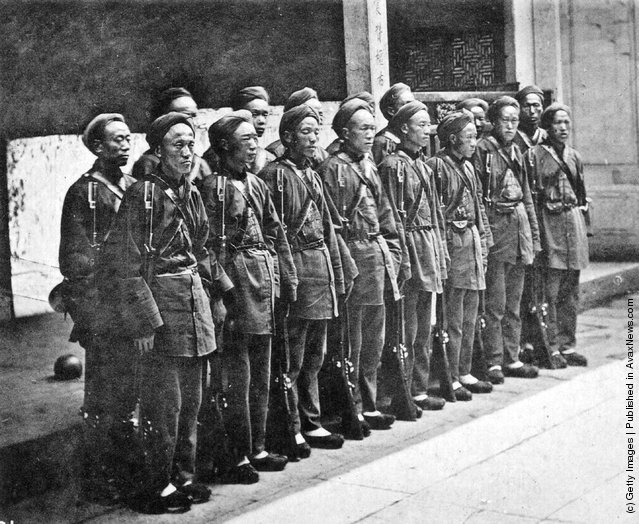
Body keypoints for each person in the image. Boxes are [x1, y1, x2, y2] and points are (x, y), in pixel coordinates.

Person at [100, 112, 223, 513]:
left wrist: (220, 296)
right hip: (161, 307)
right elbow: (124, 262)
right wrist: (144, 322)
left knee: (192, 399)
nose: (187, 153)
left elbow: (202, 249)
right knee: (163, 404)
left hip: (193, 304)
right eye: (177, 145)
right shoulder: (144, 195)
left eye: (190, 144)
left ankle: (182, 475)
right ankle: (156, 484)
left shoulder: (191, 191)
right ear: (157, 150)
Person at [201, 110, 298, 484]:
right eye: (246, 140)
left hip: (264, 282)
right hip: (236, 283)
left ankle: (258, 447)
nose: (255, 145)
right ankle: (236, 454)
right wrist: (221, 293)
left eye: (256, 139)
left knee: (262, 372)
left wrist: (286, 276)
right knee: (236, 376)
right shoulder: (212, 189)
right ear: (225, 146)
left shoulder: (257, 184)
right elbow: (206, 246)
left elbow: (276, 232)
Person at [58, 113, 137, 503]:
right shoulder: (84, 193)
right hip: (105, 311)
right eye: (116, 140)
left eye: (127, 138)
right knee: (104, 396)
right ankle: (98, 477)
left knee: (130, 393)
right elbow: (74, 260)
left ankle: (128, 470)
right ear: (97, 147)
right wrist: (91, 313)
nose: (125, 145)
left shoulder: (134, 187)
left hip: (136, 306)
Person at [259, 104, 346, 455]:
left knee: (315, 355)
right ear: (288, 137)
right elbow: (272, 233)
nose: (312, 138)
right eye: (305, 132)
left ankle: (312, 420)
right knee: (291, 357)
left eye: (315, 132)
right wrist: (283, 277)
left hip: (319, 268)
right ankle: (290, 427)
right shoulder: (274, 175)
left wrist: (337, 271)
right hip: (295, 268)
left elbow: (327, 230)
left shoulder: (312, 174)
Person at [318, 98, 401, 431]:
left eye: (372, 128)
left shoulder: (369, 165)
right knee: (350, 340)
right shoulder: (331, 168)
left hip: (376, 255)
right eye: (363, 129)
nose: (369, 135)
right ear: (344, 133)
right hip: (352, 255)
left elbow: (386, 214)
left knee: (373, 339)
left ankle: (370, 403)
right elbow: (331, 225)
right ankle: (351, 407)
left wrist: (394, 253)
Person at [378, 101, 448, 412]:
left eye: (428, 125)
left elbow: (435, 213)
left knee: (422, 325)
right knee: (405, 326)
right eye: (421, 125)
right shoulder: (392, 166)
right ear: (404, 128)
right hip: (408, 248)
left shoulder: (423, 165)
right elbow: (391, 217)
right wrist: (401, 258)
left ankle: (418, 388)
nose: (427, 131)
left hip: (427, 245)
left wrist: (439, 251)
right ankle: (402, 392)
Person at [473, 96, 541, 385]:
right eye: (505, 120)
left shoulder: (517, 151)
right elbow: (478, 197)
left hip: (518, 230)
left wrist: (534, 236)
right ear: (493, 122)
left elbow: (527, 196)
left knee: (514, 302)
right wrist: (485, 236)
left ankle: (512, 358)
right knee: (496, 304)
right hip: (496, 231)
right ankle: (493, 361)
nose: (511, 125)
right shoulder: (483, 150)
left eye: (515, 120)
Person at [426, 111, 494, 401]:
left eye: (475, 137)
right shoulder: (437, 165)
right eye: (469, 137)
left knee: (470, 313)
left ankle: (464, 370)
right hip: (452, 242)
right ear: (452, 139)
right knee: (452, 316)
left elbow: (478, 207)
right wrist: (442, 251)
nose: (474, 143)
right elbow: (434, 212)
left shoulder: (468, 166)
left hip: (471, 240)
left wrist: (484, 242)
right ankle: (450, 375)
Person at [524, 103, 590, 368]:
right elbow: (531, 195)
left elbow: (582, 194)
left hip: (572, 222)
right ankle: (549, 346)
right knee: (549, 290)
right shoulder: (534, 155)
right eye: (557, 123)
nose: (563, 128)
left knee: (570, 290)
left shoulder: (574, 156)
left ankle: (567, 344)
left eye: (566, 122)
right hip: (548, 222)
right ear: (547, 127)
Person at [132, 87, 212, 190]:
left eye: (196, 115)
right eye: (188, 115)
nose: (196, 122)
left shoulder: (200, 163)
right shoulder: (148, 163)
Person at [266, 87, 329, 166]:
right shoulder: (275, 152)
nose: (318, 117)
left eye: (320, 113)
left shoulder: (322, 154)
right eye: (311, 110)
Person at [230, 86, 276, 172]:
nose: (261, 121)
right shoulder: (222, 154)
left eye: (265, 115)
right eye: (254, 114)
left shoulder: (269, 158)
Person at [372, 83, 415, 166]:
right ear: (391, 111)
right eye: (407, 104)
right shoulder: (381, 142)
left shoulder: (412, 137)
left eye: (413, 104)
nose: (413, 109)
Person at [514, 85, 547, 154]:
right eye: (526, 106)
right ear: (519, 109)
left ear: (542, 108)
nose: (532, 111)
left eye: (536, 105)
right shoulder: (511, 136)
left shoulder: (548, 137)